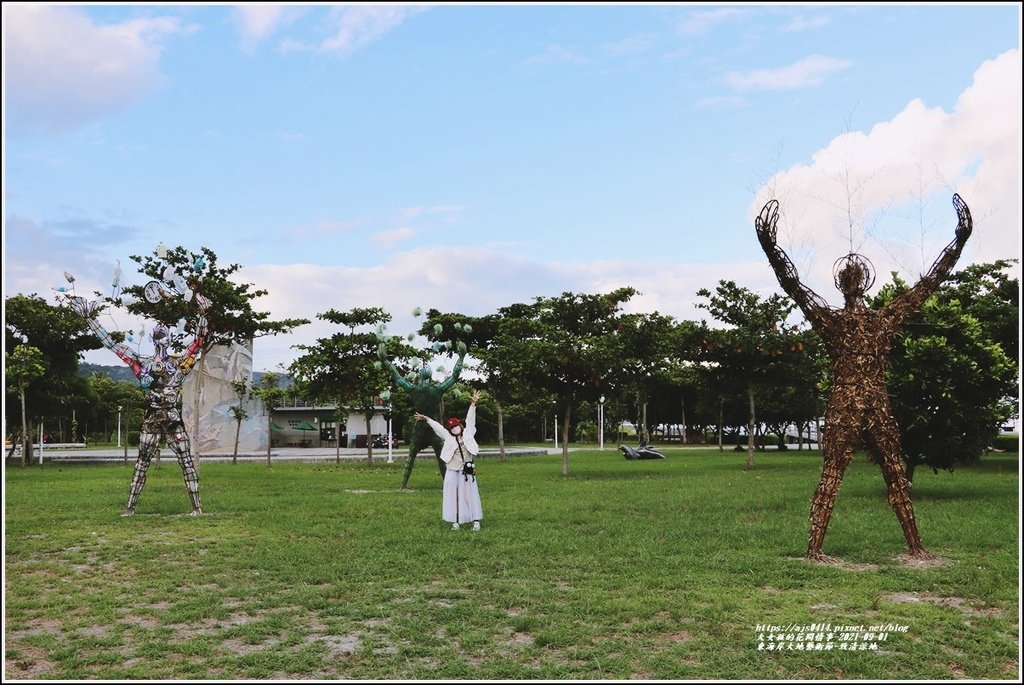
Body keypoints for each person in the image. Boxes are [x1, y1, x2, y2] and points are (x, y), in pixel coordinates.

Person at [755, 193, 972, 562]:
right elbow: (928, 283)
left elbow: (792, 284)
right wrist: (959, 241)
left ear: (842, 283)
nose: (852, 280)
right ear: (861, 282)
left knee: (870, 473)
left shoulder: (839, 320)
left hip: (852, 401)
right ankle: (901, 547)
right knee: (865, 473)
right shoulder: (874, 319)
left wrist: (770, 247)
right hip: (862, 401)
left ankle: (881, 547)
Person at [67, 280, 211, 517]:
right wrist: (90, 320)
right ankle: (131, 507)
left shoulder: (176, 365)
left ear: (169, 338)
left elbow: (198, 343)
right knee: (143, 463)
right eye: (158, 334)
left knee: (185, 461)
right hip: (153, 419)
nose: (161, 336)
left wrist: (204, 315)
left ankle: (196, 508)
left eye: (164, 335)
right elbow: (112, 344)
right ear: (155, 339)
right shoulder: (144, 364)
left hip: (172, 419)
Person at [378, 340, 467, 488]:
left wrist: (385, 360)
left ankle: (403, 485)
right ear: (431, 375)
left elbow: (397, 377)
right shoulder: (437, 390)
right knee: (441, 458)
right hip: (434, 429)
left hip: (419, 429)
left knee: (411, 457)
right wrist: (461, 357)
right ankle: (448, 485)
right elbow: (454, 377)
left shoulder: (413, 389)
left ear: (419, 375)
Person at [415, 389, 484, 530]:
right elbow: (438, 428)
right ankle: (456, 521)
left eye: (456, 426)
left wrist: (473, 404)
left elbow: (471, 420)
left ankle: (475, 521)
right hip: (453, 470)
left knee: (471, 494)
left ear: (460, 425)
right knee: (454, 496)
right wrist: (427, 419)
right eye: (451, 427)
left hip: (468, 468)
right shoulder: (448, 437)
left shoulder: (469, 433)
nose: (454, 429)